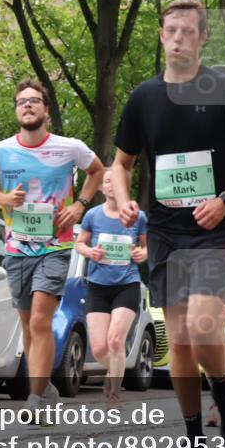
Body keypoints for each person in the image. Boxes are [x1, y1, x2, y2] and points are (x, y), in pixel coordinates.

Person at [111, 0, 225, 448]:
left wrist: (224, 200)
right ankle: (194, 442)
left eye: (188, 32)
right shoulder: (144, 97)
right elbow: (120, 163)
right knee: (179, 341)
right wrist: (122, 201)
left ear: (202, 39)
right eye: (171, 31)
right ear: (161, 36)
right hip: (165, 233)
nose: (178, 39)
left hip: (214, 232)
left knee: (203, 326)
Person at [0, 77, 103, 423]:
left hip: (55, 246)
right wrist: (4, 198)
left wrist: (79, 206)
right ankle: (45, 387)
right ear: (17, 110)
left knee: (39, 320)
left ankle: (35, 398)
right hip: (16, 249)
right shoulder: (0, 151)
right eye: (22, 102)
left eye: (34, 101)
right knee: (28, 326)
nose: (28, 106)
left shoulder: (69, 147)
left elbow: (96, 171)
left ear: (46, 109)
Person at [75, 169, 148, 408]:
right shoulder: (93, 215)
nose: (109, 185)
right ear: (101, 188)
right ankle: (114, 370)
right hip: (97, 286)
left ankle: (114, 394)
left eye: (113, 181)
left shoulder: (138, 217)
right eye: (105, 182)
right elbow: (79, 243)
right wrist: (90, 252)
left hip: (127, 284)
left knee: (116, 340)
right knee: (98, 348)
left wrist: (141, 254)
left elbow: (148, 248)